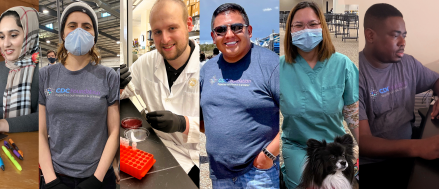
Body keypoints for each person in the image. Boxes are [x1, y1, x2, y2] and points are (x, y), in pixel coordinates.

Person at [118, 0, 201, 187]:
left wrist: (183, 123)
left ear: (189, 24)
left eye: (172, 28)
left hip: (199, 156)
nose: (164, 39)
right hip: (159, 147)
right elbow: (123, 95)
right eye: (157, 32)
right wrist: (116, 85)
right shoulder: (145, 63)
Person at [38, 2, 119, 189]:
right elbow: (41, 132)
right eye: (72, 26)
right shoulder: (46, 76)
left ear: (94, 35)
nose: (79, 31)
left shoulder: (108, 76)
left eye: (87, 26)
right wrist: (51, 180)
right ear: (63, 34)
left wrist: (97, 179)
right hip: (56, 175)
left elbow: (114, 132)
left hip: (97, 176)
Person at [280, 2, 359, 188]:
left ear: (322, 27)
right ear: (290, 30)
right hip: (299, 146)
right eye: (298, 25)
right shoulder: (279, 69)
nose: (306, 30)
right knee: (308, 183)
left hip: (336, 147)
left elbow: (353, 115)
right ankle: (287, 171)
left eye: (313, 24)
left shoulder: (343, 64)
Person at [200, 3, 280, 188]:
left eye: (236, 27)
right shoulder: (208, 70)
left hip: (259, 174)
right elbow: (203, 117)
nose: (229, 34)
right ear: (213, 37)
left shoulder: (272, 65)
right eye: (220, 30)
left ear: (249, 31)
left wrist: (267, 156)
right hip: (219, 175)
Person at [359, 3, 439, 188]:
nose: (403, 42)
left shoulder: (408, 63)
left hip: (409, 151)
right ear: (370, 35)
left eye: (404, 35)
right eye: (395, 35)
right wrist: (419, 147)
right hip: (374, 165)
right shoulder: (354, 76)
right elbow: (363, 141)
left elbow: (436, 80)